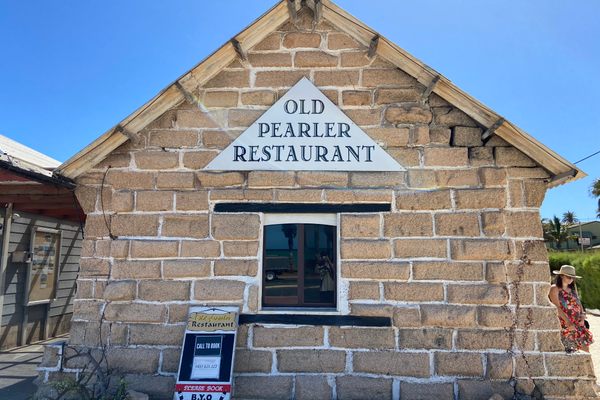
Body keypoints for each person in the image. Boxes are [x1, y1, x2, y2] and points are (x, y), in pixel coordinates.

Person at [548, 265, 593, 353]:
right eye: (569, 277)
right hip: (565, 325)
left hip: (579, 325)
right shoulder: (554, 289)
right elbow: (557, 307)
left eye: (573, 277)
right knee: (571, 353)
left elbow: (579, 305)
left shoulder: (572, 289)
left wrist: (583, 316)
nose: (571, 279)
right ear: (561, 276)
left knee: (586, 352)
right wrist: (568, 322)